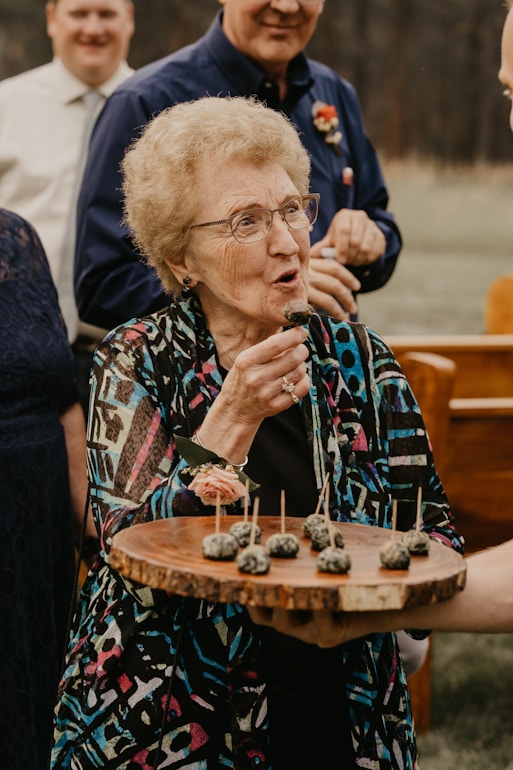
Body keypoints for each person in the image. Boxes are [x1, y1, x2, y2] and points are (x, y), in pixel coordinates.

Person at [50, 96, 462, 770]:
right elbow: (124, 551)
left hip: (342, 702)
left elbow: (433, 538)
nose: (285, 241)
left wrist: (370, 601)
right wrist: (232, 418)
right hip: (170, 714)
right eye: (246, 221)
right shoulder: (137, 358)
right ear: (182, 257)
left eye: (291, 208)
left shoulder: (362, 363)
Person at [249, 0, 513, 649]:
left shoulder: (336, 94)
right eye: (509, 91)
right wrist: (381, 607)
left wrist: (370, 239)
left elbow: (379, 219)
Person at [74, 0, 402, 333]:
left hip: (331, 370)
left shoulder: (337, 93)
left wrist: (370, 241)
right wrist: (264, 290)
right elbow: (104, 285)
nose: (287, 6)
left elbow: (381, 226)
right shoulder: (144, 99)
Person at [0, 0, 135, 413]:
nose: (93, 28)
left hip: (131, 354)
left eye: (107, 14)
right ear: (51, 20)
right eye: (79, 13)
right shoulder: (6, 105)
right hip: (16, 353)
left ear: (130, 20)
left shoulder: (163, 108)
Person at [0, 208, 92, 770]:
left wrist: (94, 539)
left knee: (39, 698)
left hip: (39, 537)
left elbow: (64, 400)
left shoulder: (16, 239)